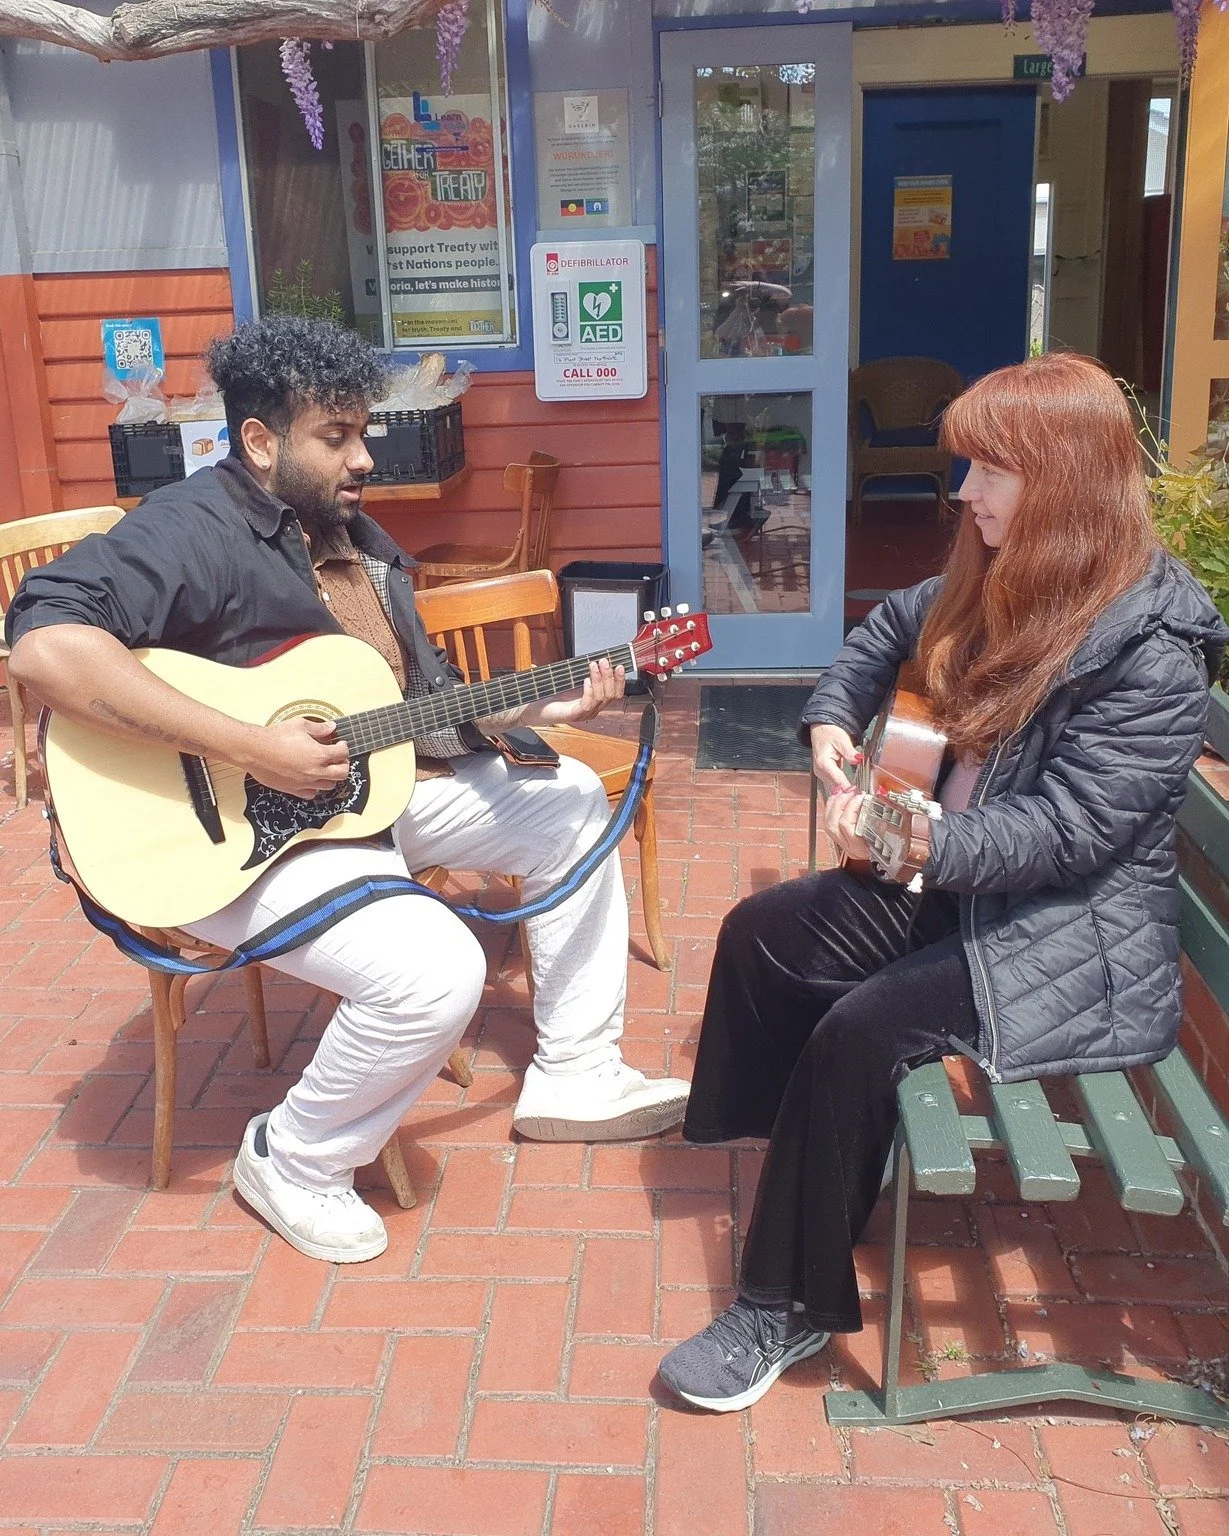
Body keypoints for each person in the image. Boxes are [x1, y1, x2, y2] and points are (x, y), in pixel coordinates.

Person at [6, 316, 689, 1265]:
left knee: (569, 798)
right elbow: (43, 644)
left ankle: (575, 1068)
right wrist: (250, 742)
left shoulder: (353, 540)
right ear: (258, 441)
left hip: (356, 803)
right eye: (338, 437)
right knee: (435, 971)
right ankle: (294, 1158)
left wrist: (543, 698)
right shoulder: (190, 526)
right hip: (229, 836)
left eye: (363, 432)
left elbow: (415, 704)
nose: (364, 457)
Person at [658, 352, 1228, 1413]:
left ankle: (781, 1304)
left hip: (1064, 933)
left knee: (857, 1034)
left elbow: (1069, 835)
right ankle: (789, 1149)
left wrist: (916, 845)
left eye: (987, 471)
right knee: (761, 933)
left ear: (1061, 482)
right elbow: (883, 633)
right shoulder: (997, 569)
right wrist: (831, 716)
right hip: (964, 882)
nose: (961, 493)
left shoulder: (1151, 650)